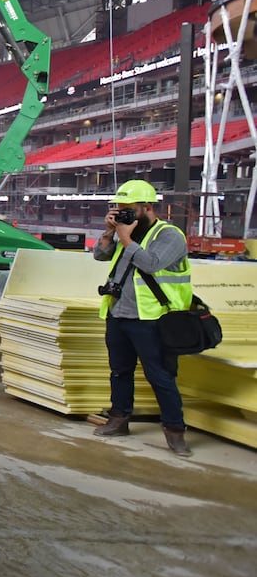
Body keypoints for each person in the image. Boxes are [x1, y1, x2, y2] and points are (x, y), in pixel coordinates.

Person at [90, 179, 193, 457]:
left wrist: (126, 237)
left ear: (147, 208)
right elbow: (100, 256)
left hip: (152, 318)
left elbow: (151, 264)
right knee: (119, 371)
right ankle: (119, 420)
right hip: (118, 313)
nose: (122, 214)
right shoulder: (128, 232)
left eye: (128, 209)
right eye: (118, 209)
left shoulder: (169, 235)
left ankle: (175, 431)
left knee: (159, 375)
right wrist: (109, 233)